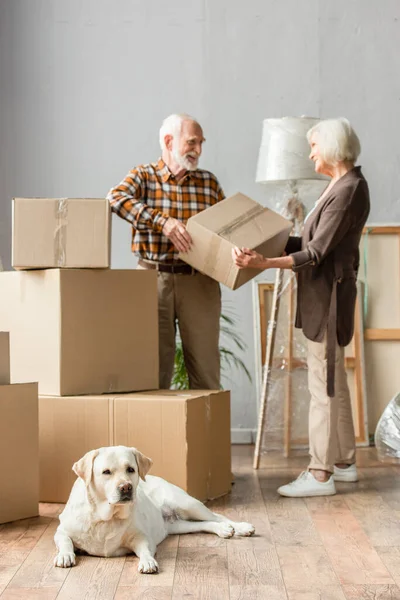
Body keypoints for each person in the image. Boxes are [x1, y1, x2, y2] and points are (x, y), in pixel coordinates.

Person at [233, 118, 370, 497]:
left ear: (329, 148)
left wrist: (262, 264)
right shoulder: (341, 187)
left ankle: (320, 472)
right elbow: (306, 241)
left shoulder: (348, 190)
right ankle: (343, 463)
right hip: (324, 297)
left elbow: (315, 253)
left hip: (328, 299)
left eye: (313, 147)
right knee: (334, 383)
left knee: (322, 387)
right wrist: (266, 247)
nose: (309, 153)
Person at [107, 114, 225, 390]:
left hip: (200, 282)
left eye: (200, 143)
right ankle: (155, 432)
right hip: (153, 279)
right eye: (192, 142)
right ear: (169, 141)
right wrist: (163, 223)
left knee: (206, 372)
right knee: (152, 371)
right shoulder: (143, 176)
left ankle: (206, 432)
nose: (198, 150)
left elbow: (225, 230)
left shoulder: (208, 183)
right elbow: (116, 198)